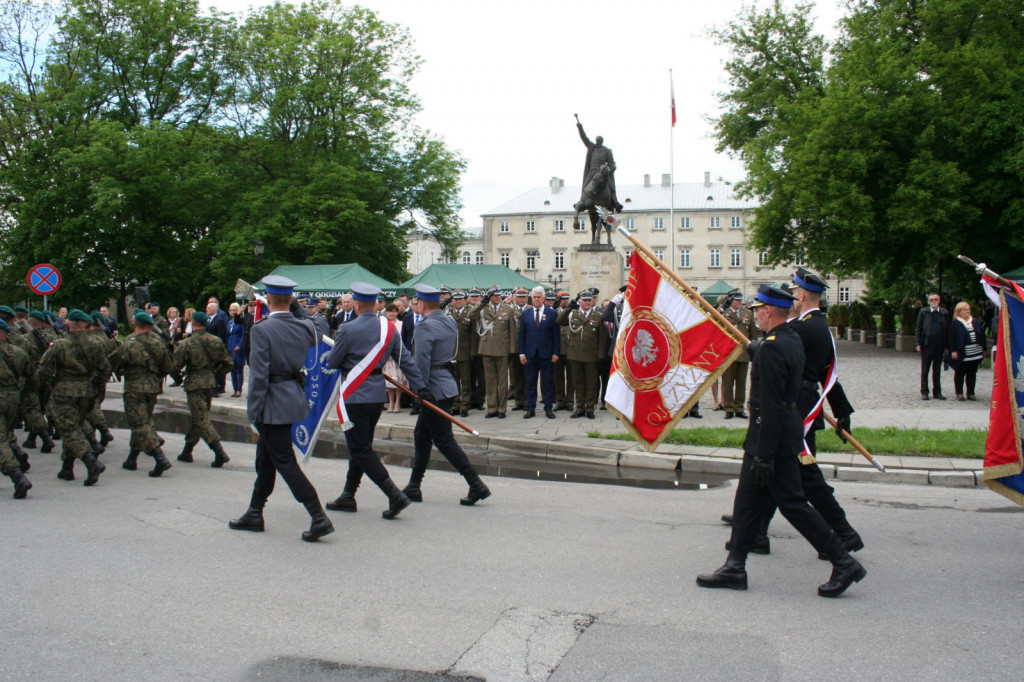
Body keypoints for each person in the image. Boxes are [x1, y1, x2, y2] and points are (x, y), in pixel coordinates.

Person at [697, 284, 866, 597]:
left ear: (769, 311)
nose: (755, 313)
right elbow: (773, 356)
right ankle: (735, 565)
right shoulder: (787, 338)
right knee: (747, 502)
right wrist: (756, 351)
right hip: (775, 435)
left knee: (792, 502)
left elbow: (771, 404)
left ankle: (843, 561)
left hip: (770, 439)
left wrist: (764, 454)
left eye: (758, 309)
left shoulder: (775, 346)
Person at [228, 276, 334, 542]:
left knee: (284, 462)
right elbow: (309, 324)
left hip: (271, 402)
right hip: (290, 396)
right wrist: (293, 305)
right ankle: (255, 511)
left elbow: (259, 375)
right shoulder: (305, 328)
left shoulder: (261, 329)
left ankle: (318, 516)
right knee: (266, 459)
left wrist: (253, 410)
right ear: (291, 300)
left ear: (267, 300)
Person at [325, 282, 424, 519]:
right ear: (376, 304)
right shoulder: (389, 328)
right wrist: (421, 387)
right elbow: (406, 359)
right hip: (376, 395)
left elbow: (333, 362)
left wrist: (331, 353)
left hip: (354, 395)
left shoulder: (348, 329)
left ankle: (393, 494)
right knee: (362, 448)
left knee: (359, 449)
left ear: (357, 304)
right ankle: (348, 496)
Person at [401, 284, 492, 505]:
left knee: (443, 440)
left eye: (416, 303)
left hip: (432, 387)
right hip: (445, 383)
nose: (416, 306)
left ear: (422, 304)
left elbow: (421, 361)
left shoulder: (424, 327)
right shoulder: (448, 320)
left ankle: (476, 484)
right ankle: (414, 485)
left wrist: (419, 388)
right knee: (421, 436)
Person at [35, 309, 110, 485]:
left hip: (64, 392)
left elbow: (43, 372)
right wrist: (96, 389)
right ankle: (67, 468)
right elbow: (105, 370)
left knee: (69, 429)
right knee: (75, 426)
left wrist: (39, 388)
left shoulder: (59, 345)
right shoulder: (96, 344)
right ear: (85, 324)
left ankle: (91, 462)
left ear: (68, 324)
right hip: (86, 392)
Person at [109, 311, 174, 475]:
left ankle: (160, 458)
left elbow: (114, 363)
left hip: (134, 387)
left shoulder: (129, 343)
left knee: (139, 423)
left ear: (135, 324)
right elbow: (168, 366)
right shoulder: (159, 342)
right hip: (152, 386)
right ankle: (132, 458)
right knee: (143, 420)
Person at [170, 311, 233, 468]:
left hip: (194, 384)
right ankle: (187, 450)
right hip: (210, 383)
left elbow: (174, 366)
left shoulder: (187, 343)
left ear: (193, 323)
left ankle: (219, 452)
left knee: (200, 418)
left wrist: (179, 379)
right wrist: (215, 374)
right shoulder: (216, 341)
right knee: (199, 416)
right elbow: (228, 363)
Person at [468, 287, 518, 418]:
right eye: (494, 295)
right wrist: (482, 302)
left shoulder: (507, 309)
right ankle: (491, 408)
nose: (497, 297)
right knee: (490, 381)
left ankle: (502, 409)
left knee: (502, 382)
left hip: (502, 350)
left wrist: (512, 349)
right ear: (489, 297)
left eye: (499, 295)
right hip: (487, 349)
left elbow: (512, 331)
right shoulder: (483, 309)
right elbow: (471, 315)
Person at [558, 290, 607, 419]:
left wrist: (600, 356)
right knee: (578, 383)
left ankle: (589, 408)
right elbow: (560, 321)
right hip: (575, 355)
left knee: (591, 384)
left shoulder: (597, 316)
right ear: (579, 302)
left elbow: (602, 338)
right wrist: (569, 308)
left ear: (592, 302)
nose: (587, 302)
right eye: (584, 300)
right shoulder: (573, 314)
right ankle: (579, 408)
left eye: (589, 300)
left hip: (591, 356)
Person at [0, 319, 33, 498]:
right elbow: (30, 375)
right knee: (5, 434)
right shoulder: (19, 352)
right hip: (13, 397)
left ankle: (17, 476)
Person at [518, 286, 559, 419]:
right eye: (534, 297)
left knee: (547, 382)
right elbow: (522, 335)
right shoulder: (526, 314)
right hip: (530, 354)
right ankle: (531, 408)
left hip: (547, 353)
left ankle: (548, 408)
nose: (536, 299)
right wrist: (521, 353)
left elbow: (556, 335)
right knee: (530, 382)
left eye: (539, 297)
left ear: (543, 298)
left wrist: (556, 352)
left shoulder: (552, 313)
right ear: (532, 298)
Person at [720, 290, 756, 419]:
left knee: (741, 384)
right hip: (729, 354)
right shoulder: (725, 314)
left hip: (744, 353)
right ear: (732, 301)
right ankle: (729, 408)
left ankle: (739, 408)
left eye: (741, 300)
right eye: (738, 300)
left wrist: (753, 351)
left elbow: (752, 334)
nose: (740, 302)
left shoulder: (748, 313)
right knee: (728, 383)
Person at [576, 117, 621, 212]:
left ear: (602, 141)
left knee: (611, 187)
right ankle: (581, 202)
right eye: (597, 140)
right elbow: (584, 137)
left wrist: (610, 170)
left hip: (603, 173)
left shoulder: (607, 151)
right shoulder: (591, 147)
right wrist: (580, 127)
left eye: (599, 140)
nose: (598, 142)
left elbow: (612, 164)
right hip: (592, 172)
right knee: (585, 187)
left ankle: (616, 202)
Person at [948, 301, 986, 401]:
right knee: (960, 373)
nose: (967, 311)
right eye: (965, 309)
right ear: (959, 312)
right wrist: (953, 351)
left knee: (972, 373)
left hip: (975, 352)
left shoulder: (975, 321)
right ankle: (959, 392)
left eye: (968, 309)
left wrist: (984, 348)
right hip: (963, 353)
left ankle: (971, 393)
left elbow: (982, 334)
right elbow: (951, 338)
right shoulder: (955, 323)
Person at [916, 293, 949, 400]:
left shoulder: (944, 312)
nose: (934, 301)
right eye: (931, 300)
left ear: (939, 300)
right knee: (925, 369)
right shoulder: (924, 312)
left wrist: (947, 346)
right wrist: (918, 343)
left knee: (937, 369)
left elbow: (947, 329)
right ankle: (924, 391)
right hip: (927, 344)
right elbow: (918, 328)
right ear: (928, 302)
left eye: (935, 299)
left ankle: (937, 392)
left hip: (939, 345)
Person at [446, 291, 474, 417]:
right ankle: (455, 404)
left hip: (465, 352)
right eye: (456, 299)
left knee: (466, 381)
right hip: (451, 352)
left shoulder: (469, 312)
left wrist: (473, 351)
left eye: (460, 299)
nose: (458, 301)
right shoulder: (448, 313)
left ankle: (465, 406)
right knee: (453, 381)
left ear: (465, 300)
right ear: (452, 301)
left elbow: (473, 334)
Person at [382, 303, 406, 413]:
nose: (391, 313)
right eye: (389, 311)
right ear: (386, 313)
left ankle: (397, 402)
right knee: (389, 381)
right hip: (387, 356)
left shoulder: (401, 324)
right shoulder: (384, 325)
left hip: (398, 355)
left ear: (397, 312)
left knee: (398, 381)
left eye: (394, 311)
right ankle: (391, 402)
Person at [553, 292, 574, 411]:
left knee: (571, 378)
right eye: (563, 299)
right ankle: (560, 401)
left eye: (567, 298)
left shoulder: (573, 312)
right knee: (558, 377)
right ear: (559, 300)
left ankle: (570, 401)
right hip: (558, 350)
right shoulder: (554, 312)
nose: (566, 301)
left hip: (570, 349)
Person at [226, 303, 247, 397]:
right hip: (230, 347)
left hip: (238, 348)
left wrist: (240, 345)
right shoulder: (230, 322)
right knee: (232, 369)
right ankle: (234, 389)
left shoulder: (241, 322)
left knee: (239, 369)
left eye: (234, 310)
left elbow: (243, 335)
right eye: (231, 310)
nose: (232, 312)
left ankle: (239, 390)